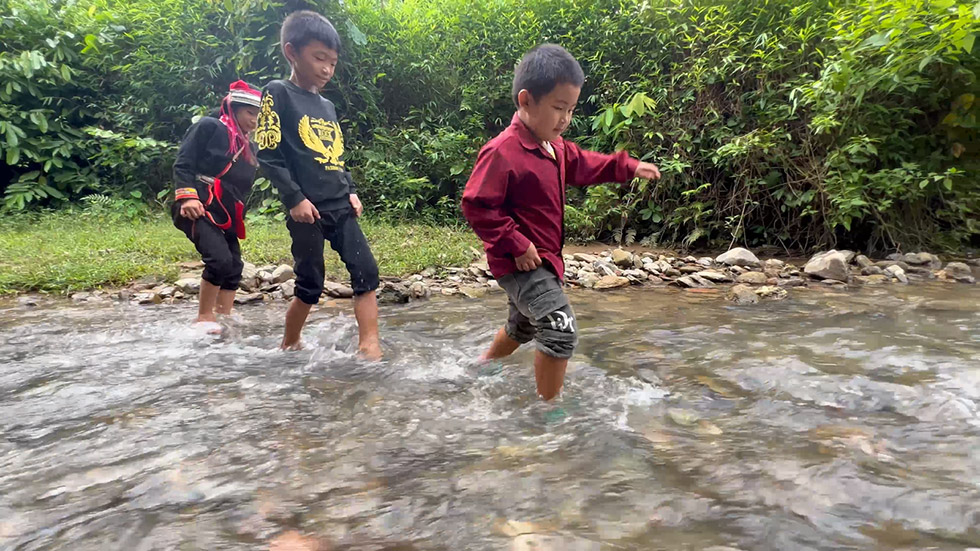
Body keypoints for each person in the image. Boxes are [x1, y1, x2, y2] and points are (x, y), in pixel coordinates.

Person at [461, 44, 663, 400]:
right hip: (519, 261)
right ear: (526, 101)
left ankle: (482, 365)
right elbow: (477, 205)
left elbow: (587, 164)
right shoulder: (503, 151)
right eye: (558, 108)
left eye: (570, 109)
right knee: (559, 328)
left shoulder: (554, 147)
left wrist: (627, 167)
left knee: (522, 326)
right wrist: (516, 242)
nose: (565, 118)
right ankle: (550, 413)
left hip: (544, 260)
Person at [255, 10, 381, 358]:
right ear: (291, 52)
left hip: (340, 204)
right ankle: (289, 342)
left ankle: (369, 344)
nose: (327, 69)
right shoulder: (277, 93)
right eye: (319, 58)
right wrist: (294, 198)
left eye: (333, 62)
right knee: (310, 283)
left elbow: (335, 153)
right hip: (306, 210)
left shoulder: (326, 105)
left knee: (366, 270)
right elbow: (268, 152)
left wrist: (351, 189)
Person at [172, 80, 262, 331]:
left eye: (258, 115)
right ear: (233, 109)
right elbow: (183, 163)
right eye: (249, 113)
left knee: (234, 266)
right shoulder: (208, 126)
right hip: (198, 203)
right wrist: (188, 197)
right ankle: (204, 317)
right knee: (219, 260)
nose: (254, 120)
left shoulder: (249, 147)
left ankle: (225, 315)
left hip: (226, 210)